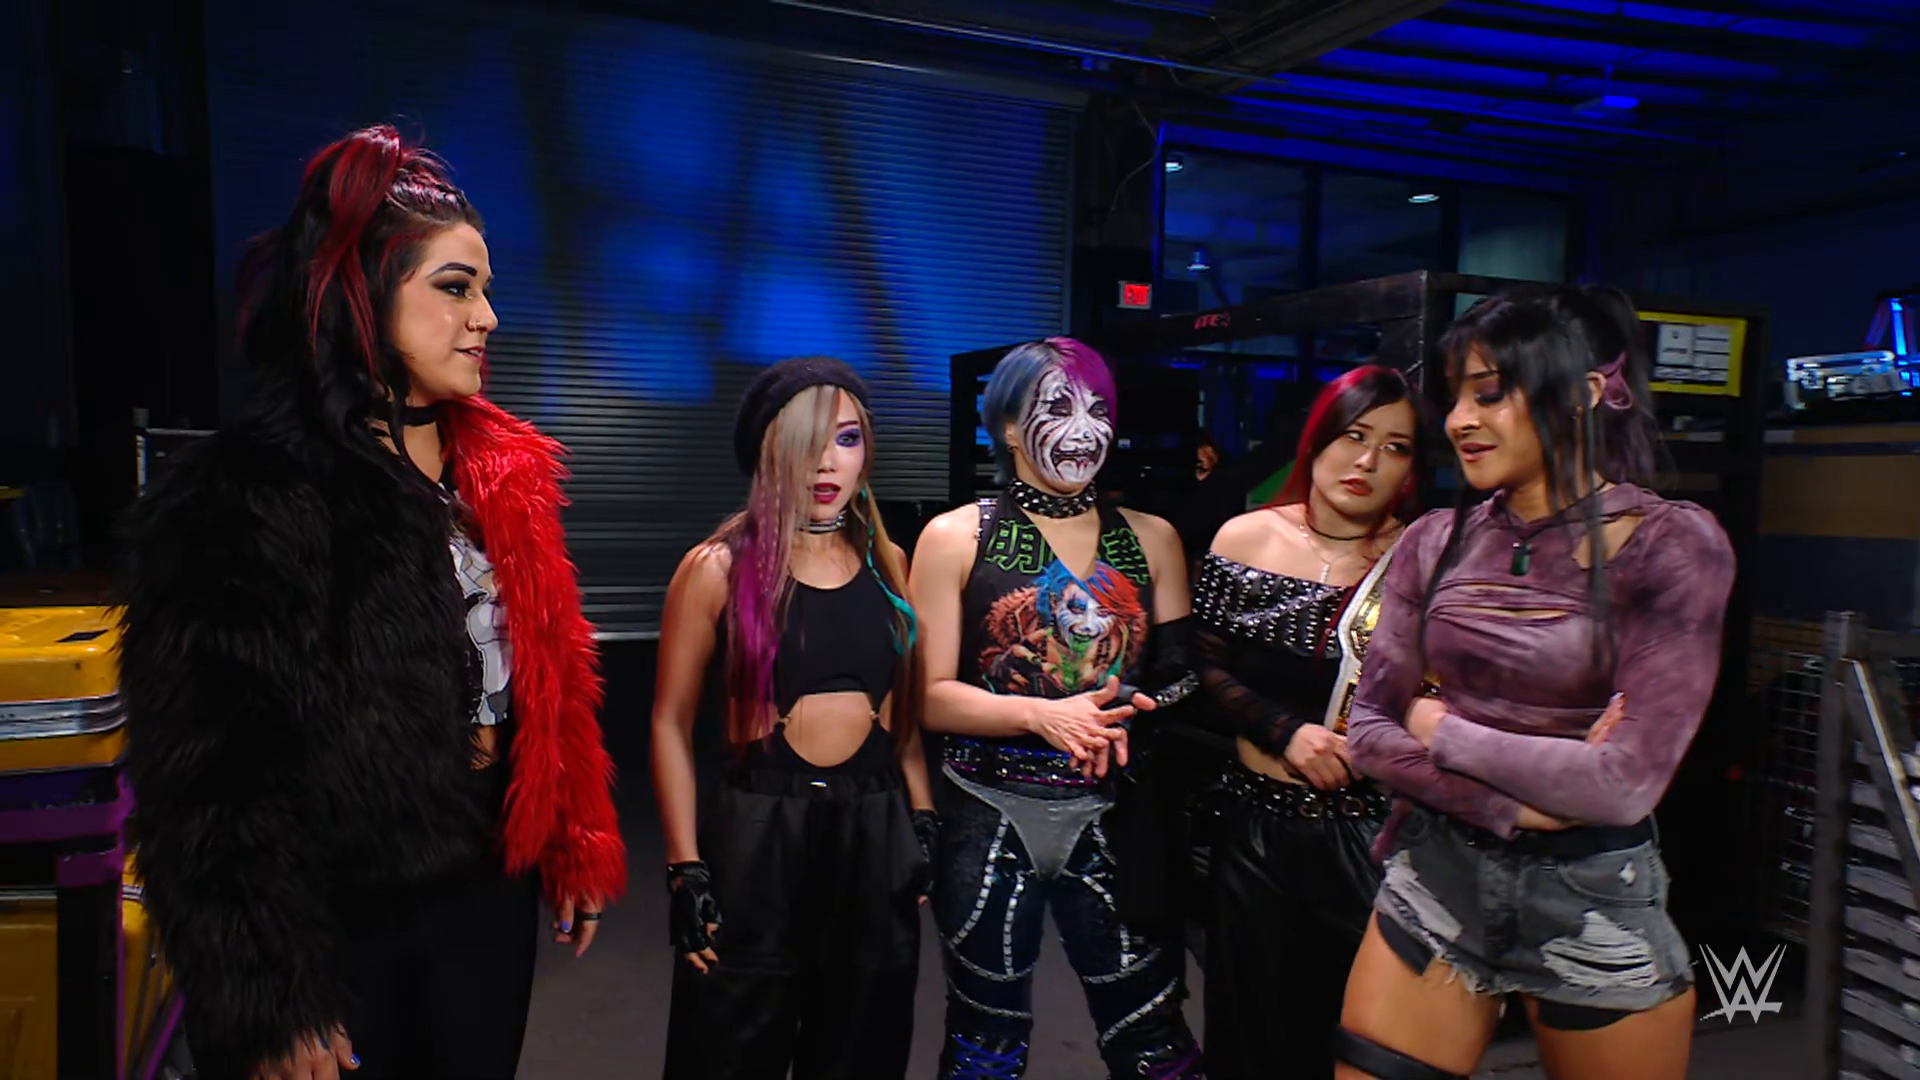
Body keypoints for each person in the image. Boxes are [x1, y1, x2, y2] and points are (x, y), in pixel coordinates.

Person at [114, 125, 626, 1080]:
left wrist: (571, 832)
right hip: (340, 910)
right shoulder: (247, 496)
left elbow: (550, 676)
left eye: (487, 289)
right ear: (362, 291)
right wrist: (271, 997)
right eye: (455, 288)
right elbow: (210, 784)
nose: (487, 318)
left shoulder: (506, 476)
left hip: (489, 883)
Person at [1335, 285, 1736, 1080]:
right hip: (1437, 873)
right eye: (1456, 398)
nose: (1460, 420)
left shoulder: (1671, 544)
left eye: (1490, 393)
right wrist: (1514, 804)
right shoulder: (1435, 539)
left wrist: (1438, 728)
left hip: (1589, 894)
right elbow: (1370, 731)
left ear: (1584, 393)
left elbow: (1620, 783)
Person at [908, 337, 1206, 1080]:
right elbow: (928, 697)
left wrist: (1136, 704)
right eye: (1059, 408)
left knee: (1153, 1036)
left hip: (1117, 813)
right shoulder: (956, 538)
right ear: (1010, 427)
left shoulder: (1152, 538)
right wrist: (1041, 715)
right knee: (984, 1042)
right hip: (987, 809)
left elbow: (1182, 679)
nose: (1083, 430)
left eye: (1098, 410)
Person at [651, 356, 935, 1079]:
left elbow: (902, 722)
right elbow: (670, 723)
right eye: (805, 439)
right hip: (760, 835)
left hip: (873, 830)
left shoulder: (889, 564)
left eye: (846, 437)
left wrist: (922, 819)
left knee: (862, 1046)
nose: (826, 461)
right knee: (729, 1045)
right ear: (766, 451)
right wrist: (685, 867)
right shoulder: (716, 568)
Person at [1193, 365, 1421, 1080]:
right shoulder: (1246, 537)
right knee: (1250, 1037)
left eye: (1395, 447)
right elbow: (1199, 671)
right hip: (1254, 829)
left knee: (1362, 1043)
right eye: (1354, 435)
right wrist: (1282, 730)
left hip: (1371, 835)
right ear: (1317, 439)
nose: (1368, 461)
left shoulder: (1421, 562)